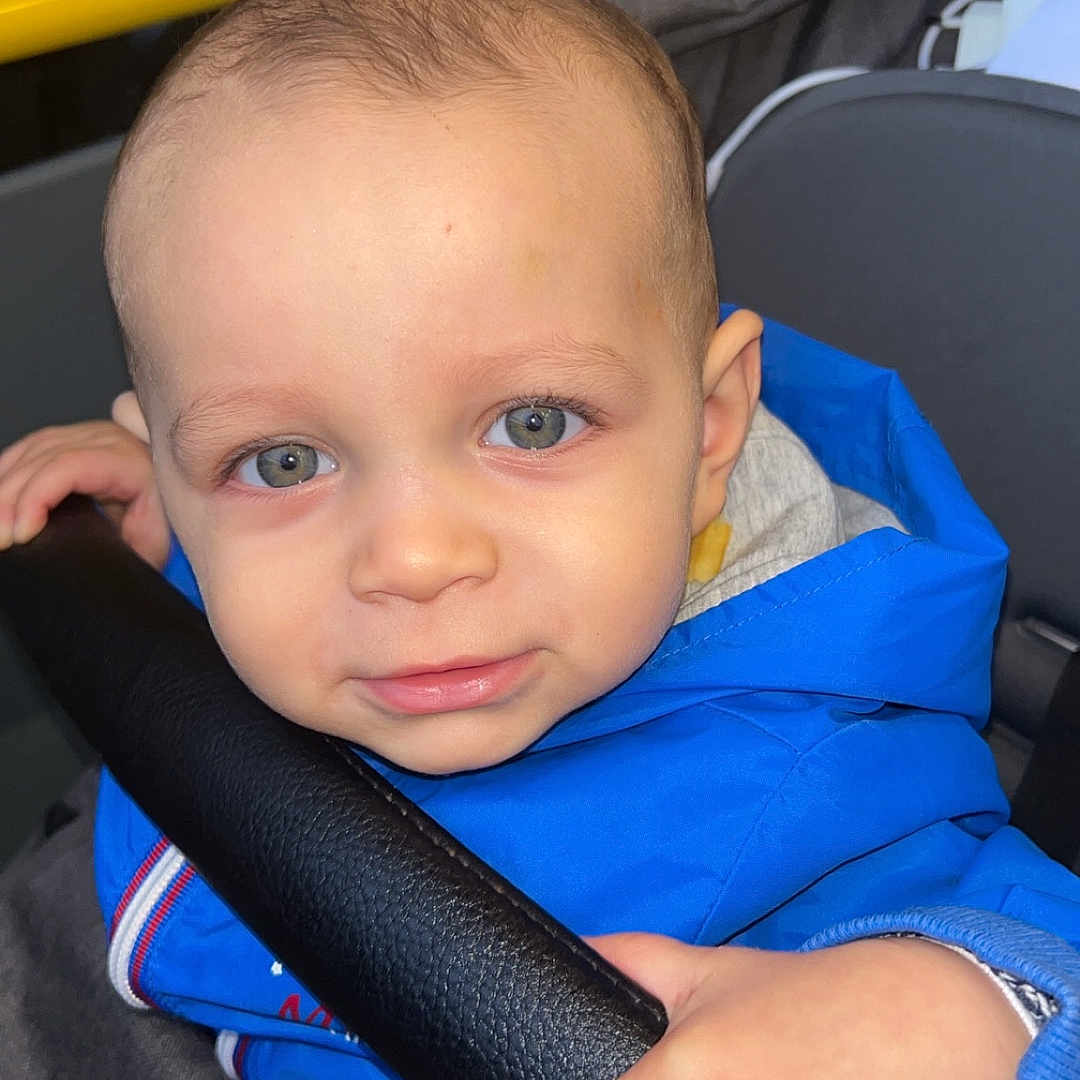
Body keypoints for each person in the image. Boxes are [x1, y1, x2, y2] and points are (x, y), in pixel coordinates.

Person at [1, 0, 1080, 1077]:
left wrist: (969, 999)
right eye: (286, 460)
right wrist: (176, 521)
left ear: (709, 436)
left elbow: (1034, 944)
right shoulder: (277, 553)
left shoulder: (820, 771)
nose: (414, 559)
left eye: (534, 425)